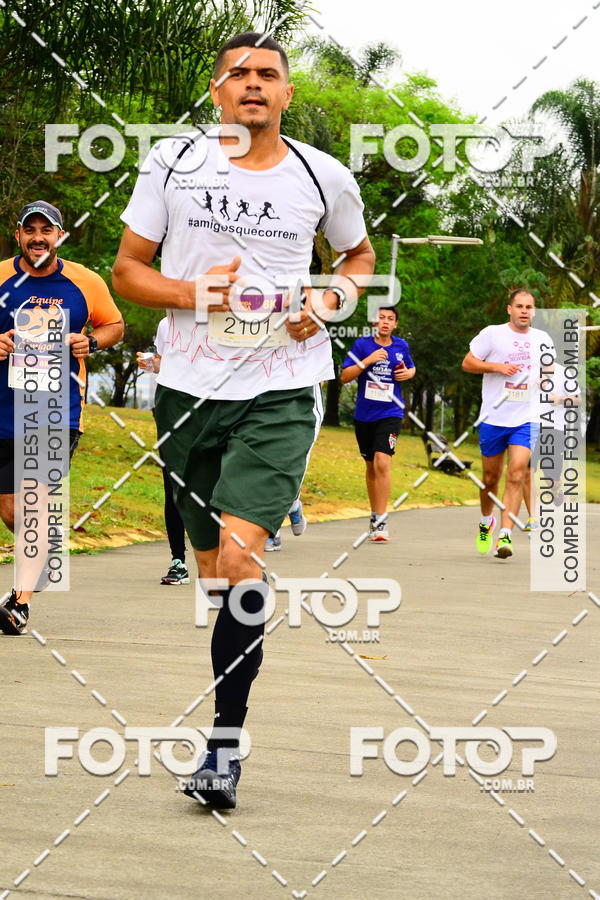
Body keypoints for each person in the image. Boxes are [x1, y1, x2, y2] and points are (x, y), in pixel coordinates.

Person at [112, 32, 374, 808]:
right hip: (189, 391)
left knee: (238, 559)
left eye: (268, 75)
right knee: (213, 574)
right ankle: (229, 678)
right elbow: (128, 272)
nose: (253, 84)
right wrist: (199, 294)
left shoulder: (323, 176)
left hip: (282, 387)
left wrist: (328, 301)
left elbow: (357, 260)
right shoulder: (172, 165)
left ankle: (224, 744)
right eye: (238, 75)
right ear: (217, 92)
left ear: (287, 94)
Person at [0, 200, 124, 634]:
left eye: (46, 230)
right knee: (13, 510)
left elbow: (115, 325)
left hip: (55, 413)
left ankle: (20, 603)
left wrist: (91, 341)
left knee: (31, 507)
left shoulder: (85, 282)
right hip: (2, 411)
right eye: (29, 229)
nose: (38, 237)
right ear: (18, 235)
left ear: (59, 236)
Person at [462, 289, 553, 559]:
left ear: (534, 311)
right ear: (509, 309)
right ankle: (486, 521)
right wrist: (498, 367)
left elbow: (548, 371)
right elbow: (468, 363)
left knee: (516, 472)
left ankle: (506, 535)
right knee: (490, 479)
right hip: (493, 417)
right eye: (520, 306)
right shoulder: (492, 333)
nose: (525, 311)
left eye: (529, 307)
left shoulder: (543, 339)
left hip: (526, 418)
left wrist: (544, 380)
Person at [341, 307, 415, 542]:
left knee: (382, 462)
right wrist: (368, 361)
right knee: (371, 465)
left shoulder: (401, 346)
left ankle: (381, 521)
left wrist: (409, 373)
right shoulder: (362, 346)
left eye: (390, 319)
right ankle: (374, 514)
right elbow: (344, 376)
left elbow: (410, 368)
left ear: (395, 324)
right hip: (364, 415)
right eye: (381, 318)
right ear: (375, 321)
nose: (385, 322)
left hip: (391, 412)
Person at [137, 316, 190, 584]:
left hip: (214, 408)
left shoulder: (220, 320)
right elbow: (165, 362)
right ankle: (177, 560)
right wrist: (154, 363)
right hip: (171, 410)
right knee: (173, 485)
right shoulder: (166, 324)